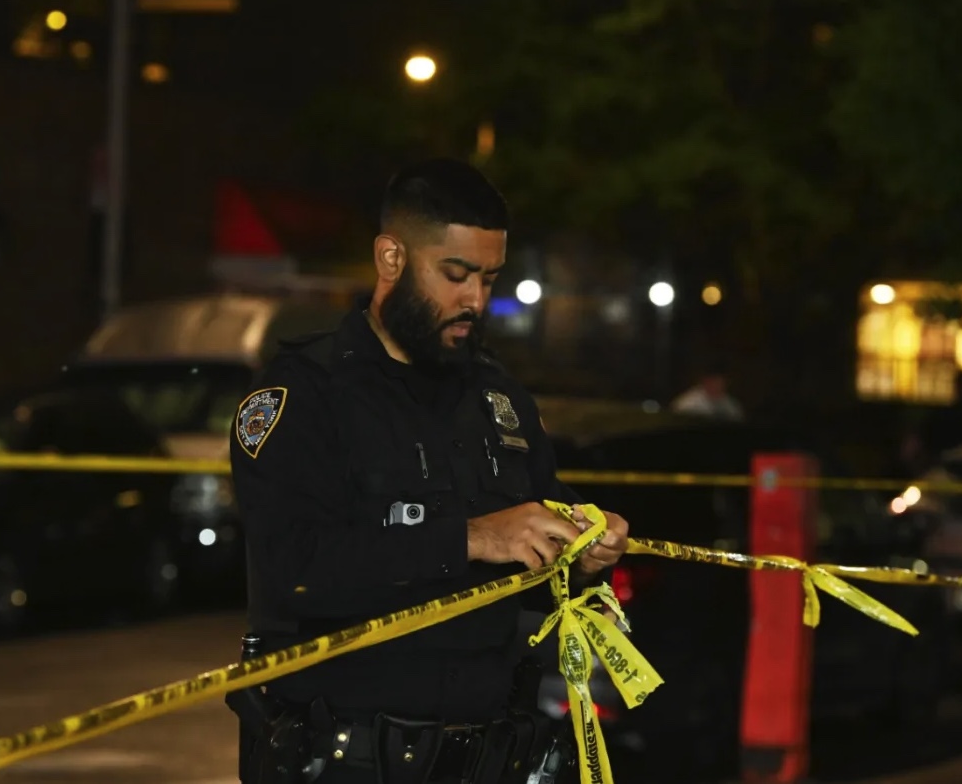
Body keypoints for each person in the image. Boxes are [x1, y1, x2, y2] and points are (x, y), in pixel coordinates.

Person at [226, 159, 630, 784]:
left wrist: (583, 543)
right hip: (344, 763)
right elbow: (294, 570)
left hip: (491, 759)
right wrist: (471, 537)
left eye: (489, 278)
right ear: (391, 258)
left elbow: (539, 517)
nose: (475, 299)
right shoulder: (306, 394)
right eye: (456, 274)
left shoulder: (499, 398)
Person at [670, 362, 743, 421]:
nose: (716, 385)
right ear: (705, 381)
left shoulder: (731, 405)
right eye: (713, 381)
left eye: (720, 382)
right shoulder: (688, 403)